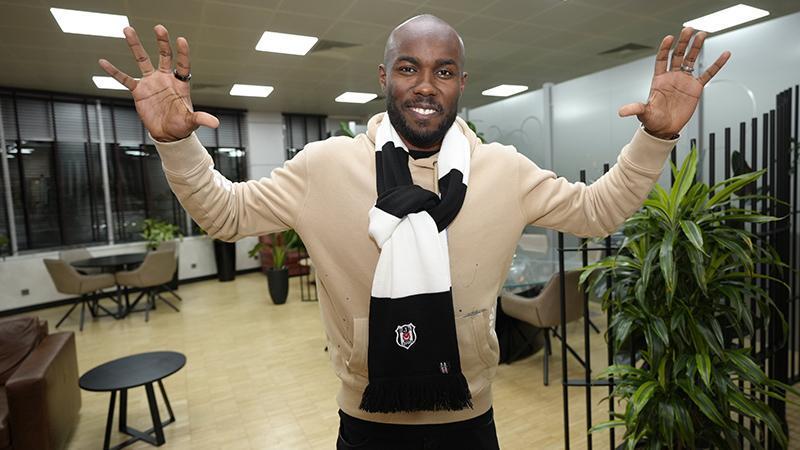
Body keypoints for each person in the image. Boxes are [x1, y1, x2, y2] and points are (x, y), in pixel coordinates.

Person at [99, 14, 729, 450]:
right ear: (384, 78)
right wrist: (176, 144)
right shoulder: (324, 167)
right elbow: (226, 214)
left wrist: (656, 136)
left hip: (470, 417)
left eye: (444, 71)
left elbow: (598, 211)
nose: (426, 86)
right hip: (366, 419)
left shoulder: (503, 171)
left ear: (462, 83)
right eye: (409, 68)